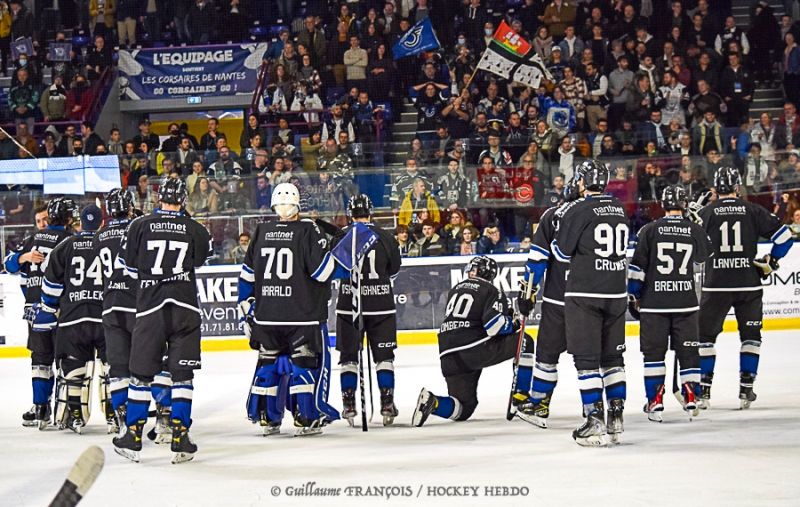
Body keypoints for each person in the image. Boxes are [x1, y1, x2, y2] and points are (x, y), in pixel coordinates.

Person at [112, 178, 212, 464]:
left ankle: (132, 435)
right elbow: (200, 260)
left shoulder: (139, 225)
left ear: (159, 198)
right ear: (183, 199)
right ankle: (180, 436)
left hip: (149, 309)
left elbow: (128, 269)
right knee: (182, 376)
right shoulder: (195, 228)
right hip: (185, 309)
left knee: (141, 376)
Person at [237, 183, 338, 436]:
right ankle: (306, 417)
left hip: (267, 316)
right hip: (301, 316)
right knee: (304, 364)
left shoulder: (260, 231)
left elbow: (247, 276)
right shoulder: (308, 229)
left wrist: (246, 309)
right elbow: (323, 271)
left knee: (269, 363)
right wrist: (340, 253)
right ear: (298, 206)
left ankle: (268, 419)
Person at [696, 167, 793, 410]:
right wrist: (772, 261)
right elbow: (784, 238)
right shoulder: (752, 210)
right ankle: (747, 388)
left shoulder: (707, 212)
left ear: (715, 189)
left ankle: (704, 391)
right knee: (751, 337)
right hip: (748, 284)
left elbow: (688, 241)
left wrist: (697, 210)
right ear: (737, 187)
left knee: (705, 339)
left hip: (715, 285)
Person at [552, 160, 629, 446]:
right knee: (613, 358)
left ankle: (594, 420)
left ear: (582, 181)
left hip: (585, 294)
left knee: (586, 360)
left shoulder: (577, 208)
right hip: (615, 292)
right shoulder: (619, 208)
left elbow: (560, 252)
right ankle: (616, 417)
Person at [627, 186, 714, 422]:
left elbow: (636, 269)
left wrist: (634, 296)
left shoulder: (649, 230)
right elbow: (705, 256)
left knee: (654, 355)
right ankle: (691, 395)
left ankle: (655, 400)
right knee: (688, 352)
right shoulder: (693, 228)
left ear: (663, 204)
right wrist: (697, 226)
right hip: (685, 303)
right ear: (684, 204)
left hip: (655, 305)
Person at [412, 256, 528, 426]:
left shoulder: (455, 289)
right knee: (526, 341)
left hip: (448, 356)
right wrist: (513, 324)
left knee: (464, 407)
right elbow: (493, 327)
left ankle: (433, 402)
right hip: (474, 350)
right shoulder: (491, 290)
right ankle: (522, 396)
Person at [32, 205, 109, 434]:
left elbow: (50, 285)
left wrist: (49, 307)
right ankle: (116, 415)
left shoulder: (64, 247)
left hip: (72, 320)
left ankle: (74, 413)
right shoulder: (108, 246)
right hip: (104, 319)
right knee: (111, 370)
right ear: (101, 224)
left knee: (73, 371)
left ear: (79, 224)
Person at [4, 199, 75, 429]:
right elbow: (10, 264)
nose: (42, 224)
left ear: (51, 217)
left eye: (45, 219)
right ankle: (62, 408)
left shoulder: (32, 240)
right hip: (62, 309)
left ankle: (42, 406)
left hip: (37, 310)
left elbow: (9, 264)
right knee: (60, 360)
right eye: (38, 221)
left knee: (41, 361)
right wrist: (25, 257)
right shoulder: (69, 240)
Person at [515, 175, 579, 427]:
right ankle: (598, 407)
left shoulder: (552, 216)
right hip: (588, 299)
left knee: (546, 355)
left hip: (557, 301)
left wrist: (527, 293)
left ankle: (540, 403)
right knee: (592, 358)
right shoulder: (596, 216)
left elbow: (536, 260)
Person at [333, 195, 402, 426]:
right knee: (384, 358)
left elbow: (334, 270)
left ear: (349, 213)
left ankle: (349, 404)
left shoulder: (341, 236)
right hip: (381, 305)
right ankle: (386, 402)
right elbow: (393, 272)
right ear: (370, 212)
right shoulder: (386, 237)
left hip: (348, 306)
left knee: (348, 358)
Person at [93, 189, 136, 434]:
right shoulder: (139, 228)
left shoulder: (99, 236)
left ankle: (120, 417)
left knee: (118, 367)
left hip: (110, 307)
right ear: (129, 206)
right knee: (154, 363)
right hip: (139, 306)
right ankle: (164, 415)